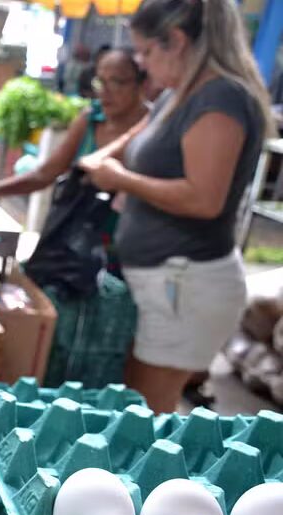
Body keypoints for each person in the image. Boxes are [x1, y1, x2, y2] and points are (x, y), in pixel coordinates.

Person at [78, 0, 273, 413]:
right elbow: (136, 136)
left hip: (187, 285)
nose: (142, 64)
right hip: (163, 282)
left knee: (144, 412)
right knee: (134, 400)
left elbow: (204, 199)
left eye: (146, 51)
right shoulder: (180, 93)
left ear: (177, 41)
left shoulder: (221, 98)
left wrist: (120, 179)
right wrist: (100, 158)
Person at [0, 49, 148, 203]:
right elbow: (45, 174)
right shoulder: (89, 119)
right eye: (100, 82)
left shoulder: (153, 127)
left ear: (140, 83)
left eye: (116, 82)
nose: (105, 92)